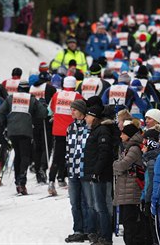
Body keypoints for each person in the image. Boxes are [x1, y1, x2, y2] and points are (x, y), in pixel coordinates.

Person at [0, 81, 48, 195]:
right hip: (26, 131)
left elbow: (1, 111)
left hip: (12, 131)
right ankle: (22, 180)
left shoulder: (11, 98)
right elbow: (43, 113)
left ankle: (17, 181)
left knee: (18, 155)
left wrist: (4, 124)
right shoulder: (31, 99)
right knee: (25, 155)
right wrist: (43, 104)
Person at [64, 99, 96, 243]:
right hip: (72, 170)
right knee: (74, 202)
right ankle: (78, 229)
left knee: (88, 202)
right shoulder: (70, 127)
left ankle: (90, 230)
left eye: (74, 109)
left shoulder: (89, 127)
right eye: (71, 109)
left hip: (85, 170)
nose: (72, 112)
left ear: (82, 111)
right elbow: (68, 148)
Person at [83, 104, 114, 245]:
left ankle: (106, 237)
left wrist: (96, 172)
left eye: (88, 116)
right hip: (96, 174)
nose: (85, 118)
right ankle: (102, 235)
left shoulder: (102, 130)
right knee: (99, 206)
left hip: (101, 175)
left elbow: (103, 153)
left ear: (94, 117)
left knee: (101, 207)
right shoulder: (96, 130)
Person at [48, 76, 84, 195]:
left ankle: (51, 182)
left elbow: (52, 109)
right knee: (72, 156)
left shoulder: (56, 95)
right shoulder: (77, 96)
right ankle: (68, 180)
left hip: (58, 131)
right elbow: (84, 108)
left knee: (57, 157)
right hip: (72, 131)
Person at [113, 123, 144, 245]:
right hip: (127, 190)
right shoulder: (128, 147)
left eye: (123, 133)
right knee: (127, 223)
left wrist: (116, 165)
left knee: (130, 223)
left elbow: (121, 165)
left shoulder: (134, 149)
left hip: (132, 192)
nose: (121, 136)